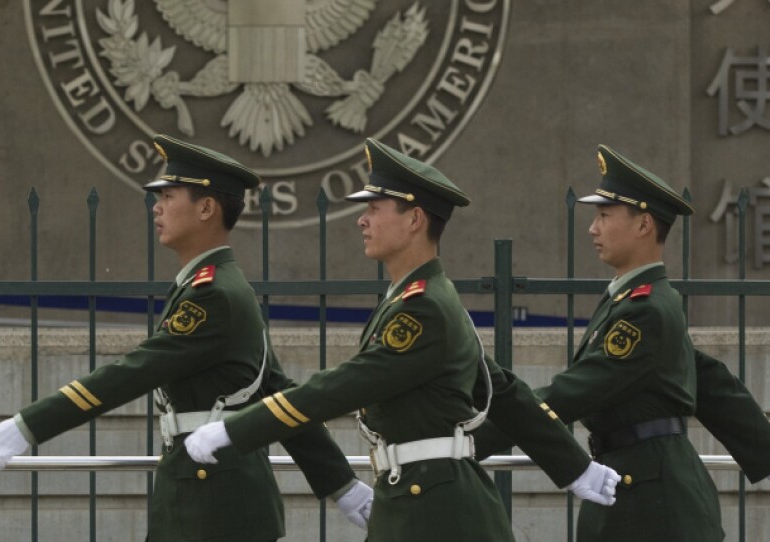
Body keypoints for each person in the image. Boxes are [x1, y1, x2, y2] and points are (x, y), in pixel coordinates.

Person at [183, 137, 621, 541]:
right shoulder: (418, 299)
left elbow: (348, 384)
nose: (362, 218)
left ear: (414, 219)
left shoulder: (424, 308)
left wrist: (237, 429)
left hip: (436, 509)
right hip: (417, 497)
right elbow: (504, 391)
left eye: (376, 207)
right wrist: (573, 467)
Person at [0, 134, 372, 541]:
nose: (158, 207)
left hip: (213, 504)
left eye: (169, 196)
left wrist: (29, 425)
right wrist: (340, 483)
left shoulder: (214, 294)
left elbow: (135, 371)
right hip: (210, 497)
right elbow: (277, 393)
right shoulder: (215, 286)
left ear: (206, 207)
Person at [473, 144, 770, 541]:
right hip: (641, 488)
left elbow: (571, 393)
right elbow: (711, 383)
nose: (593, 228)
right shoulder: (636, 300)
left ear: (643, 225)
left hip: (653, 504)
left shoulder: (645, 309)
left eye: (605, 216)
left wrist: (468, 443)